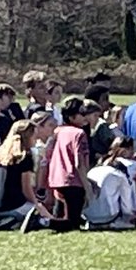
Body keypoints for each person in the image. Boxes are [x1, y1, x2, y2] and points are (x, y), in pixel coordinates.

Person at [0, 120, 54, 232]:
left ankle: (1, 220)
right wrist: (37, 205)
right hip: (15, 205)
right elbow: (26, 189)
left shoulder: (0, 154)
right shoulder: (24, 157)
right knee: (43, 215)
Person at [44, 96, 91, 232]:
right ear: (71, 116)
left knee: (61, 216)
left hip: (56, 179)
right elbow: (79, 163)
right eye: (82, 113)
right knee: (72, 222)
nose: (85, 117)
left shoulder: (57, 131)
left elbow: (48, 154)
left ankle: (47, 222)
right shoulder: (79, 134)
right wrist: (87, 186)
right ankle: (42, 222)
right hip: (73, 181)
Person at [83, 137, 136, 231]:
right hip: (110, 217)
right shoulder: (120, 175)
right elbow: (127, 204)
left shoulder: (92, 171)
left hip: (89, 217)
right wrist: (132, 215)